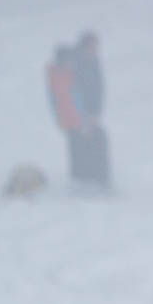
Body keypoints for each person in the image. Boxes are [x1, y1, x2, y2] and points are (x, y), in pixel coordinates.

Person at [46, 32, 111, 189]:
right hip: (78, 116)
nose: (96, 49)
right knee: (87, 143)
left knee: (88, 142)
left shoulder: (89, 61)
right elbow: (73, 95)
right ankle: (90, 178)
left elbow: (95, 87)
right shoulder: (74, 66)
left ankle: (91, 177)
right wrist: (84, 117)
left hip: (84, 115)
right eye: (93, 46)